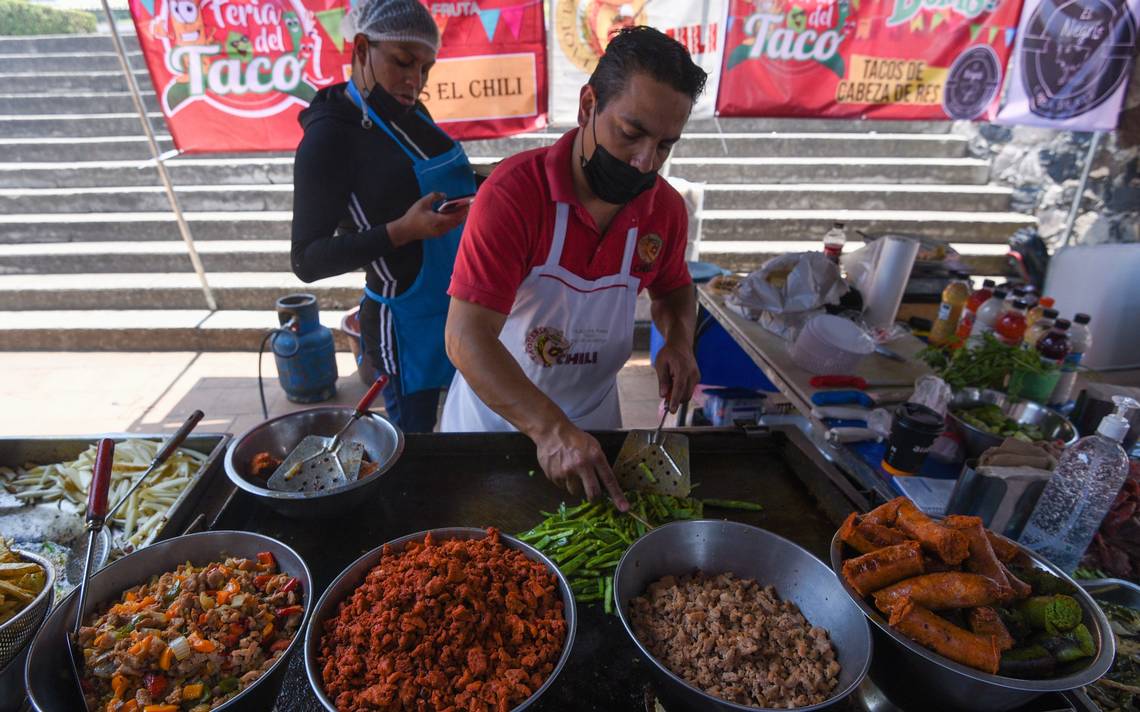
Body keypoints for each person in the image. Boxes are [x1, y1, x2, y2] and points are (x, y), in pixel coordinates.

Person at [441, 27, 705, 509]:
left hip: (594, 427)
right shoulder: (514, 195)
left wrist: (680, 342)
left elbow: (673, 289)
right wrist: (549, 429)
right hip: (491, 431)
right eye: (631, 133)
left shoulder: (663, 210)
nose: (647, 161)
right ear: (588, 106)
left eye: (666, 145)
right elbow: (466, 336)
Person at [290, 0, 474, 432]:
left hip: (457, 304)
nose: (415, 81)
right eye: (403, 62)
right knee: (413, 444)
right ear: (359, 49)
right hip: (404, 323)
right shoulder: (329, 137)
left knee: (467, 427)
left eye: (426, 68)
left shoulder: (410, 112)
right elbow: (307, 260)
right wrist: (402, 231)